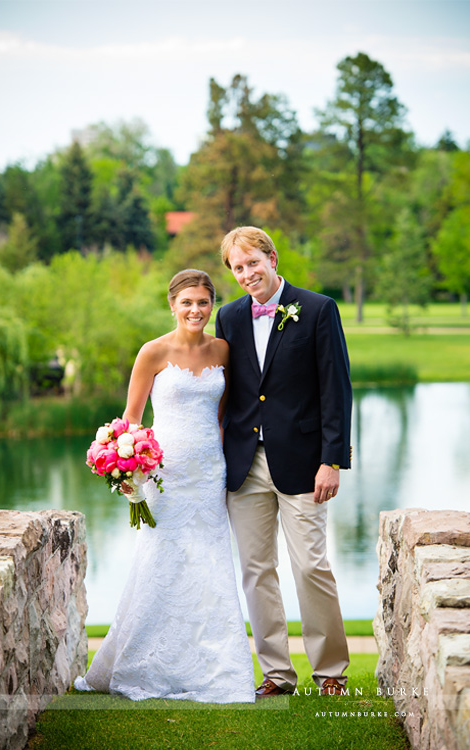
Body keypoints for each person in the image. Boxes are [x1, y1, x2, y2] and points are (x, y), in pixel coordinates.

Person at [75, 269, 255, 703]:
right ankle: (144, 662)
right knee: (160, 562)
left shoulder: (225, 351)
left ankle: (219, 669)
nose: (196, 310)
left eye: (204, 302)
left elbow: (222, 416)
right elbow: (131, 421)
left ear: (213, 306)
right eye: (188, 302)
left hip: (210, 472)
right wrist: (129, 471)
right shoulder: (152, 352)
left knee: (210, 565)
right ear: (172, 304)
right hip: (163, 474)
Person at [215, 227, 352, 698]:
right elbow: (229, 390)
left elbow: (336, 391)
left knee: (311, 564)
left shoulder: (317, 309)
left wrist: (332, 460)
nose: (248, 273)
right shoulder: (228, 317)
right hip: (243, 462)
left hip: (303, 462)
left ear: (272, 257)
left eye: (254, 262)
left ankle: (330, 670)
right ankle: (276, 674)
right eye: (238, 267)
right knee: (256, 569)